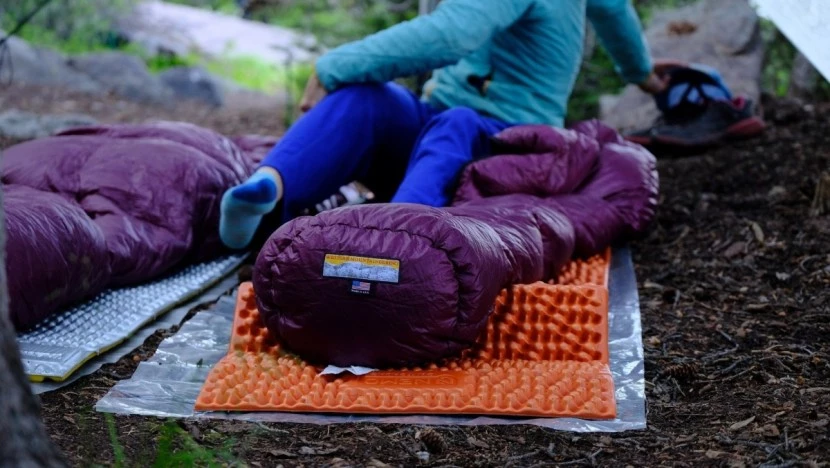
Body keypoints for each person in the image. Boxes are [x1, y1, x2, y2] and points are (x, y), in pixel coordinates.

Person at [219, 0, 675, 250]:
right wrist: (647, 79)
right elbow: (619, 21)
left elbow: (451, 35)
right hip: (440, 130)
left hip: (512, 145)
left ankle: (385, 241)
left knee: (452, 123)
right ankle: (268, 189)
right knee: (367, 97)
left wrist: (331, 64)